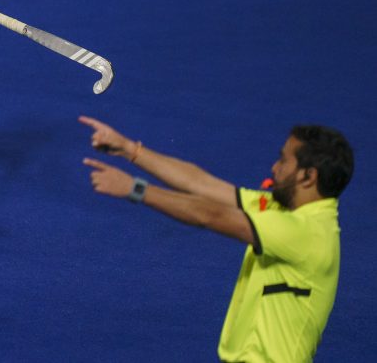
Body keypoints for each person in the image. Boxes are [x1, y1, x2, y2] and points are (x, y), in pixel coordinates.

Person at [81, 117, 352, 363]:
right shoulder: (281, 208)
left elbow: (209, 215)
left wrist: (135, 189)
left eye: (283, 161)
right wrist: (130, 149)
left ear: (308, 176)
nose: (274, 167)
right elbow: (202, 185)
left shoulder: (304, 232)